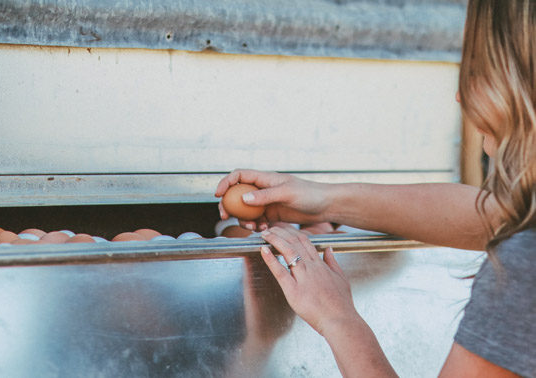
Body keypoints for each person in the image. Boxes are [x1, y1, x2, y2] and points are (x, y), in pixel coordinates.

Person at [215, 0, 536, 376]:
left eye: (483, 70)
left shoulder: (523, 265)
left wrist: (338, 319)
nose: (461, 96)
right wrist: (323, 202)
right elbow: (498, 216)